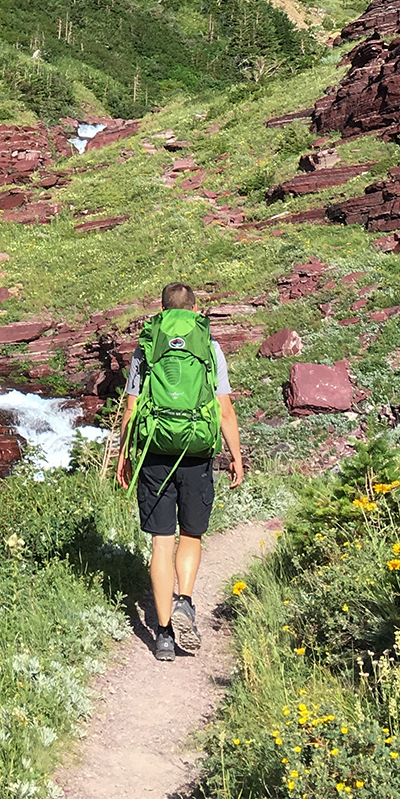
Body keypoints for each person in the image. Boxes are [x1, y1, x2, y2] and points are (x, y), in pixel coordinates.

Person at [115, 282, 244, 661]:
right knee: (191, 533)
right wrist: (236, 456)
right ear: (195, 308)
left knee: (161, 541)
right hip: (197, 449)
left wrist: (125, 453)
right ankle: (185, 600)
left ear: (163, 308)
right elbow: (224, 410)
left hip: (155, 451)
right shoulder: (209, 346)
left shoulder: (147, 345)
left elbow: (131, 408)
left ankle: (164, 634)